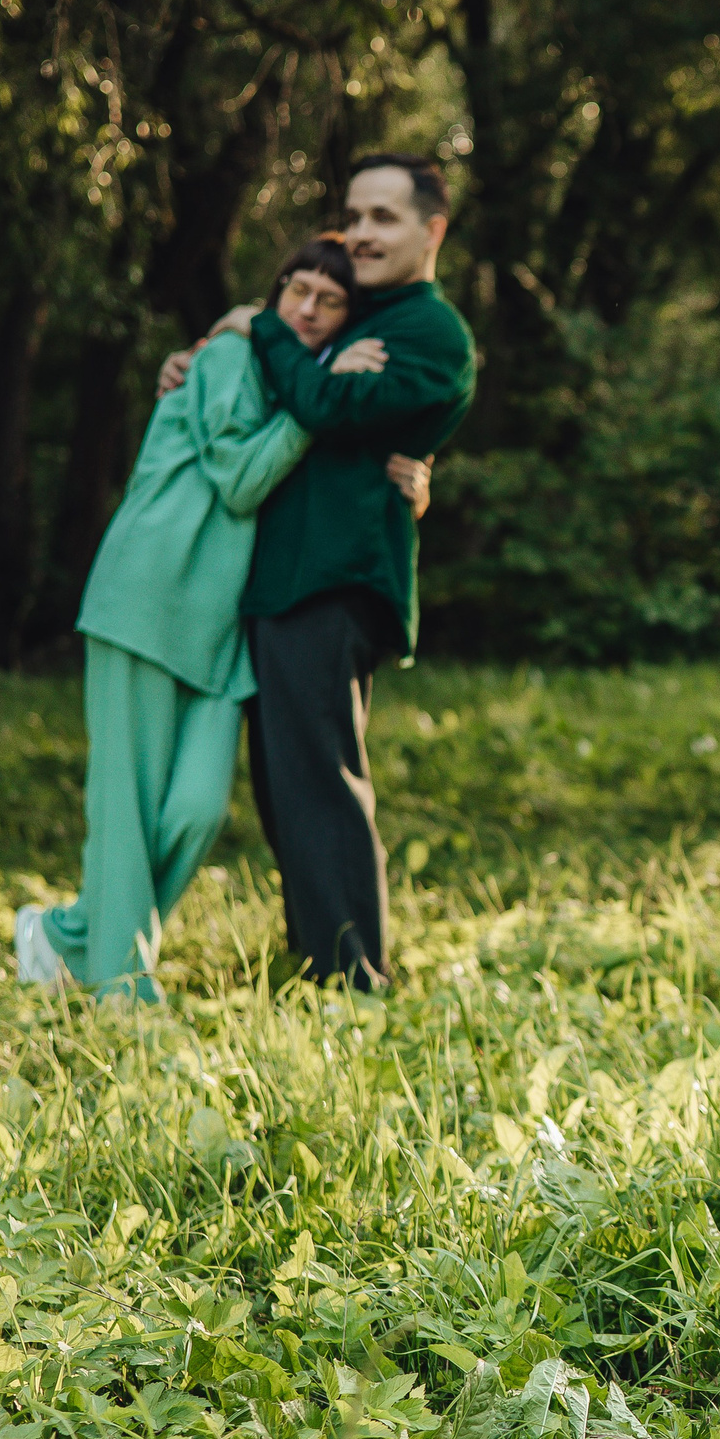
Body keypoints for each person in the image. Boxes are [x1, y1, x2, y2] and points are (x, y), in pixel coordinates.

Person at [13, 235, 432, 1000]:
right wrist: (311, 383)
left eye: (328, 299)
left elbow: (338, 454)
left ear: (348, 320)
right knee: (127, 807)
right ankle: (121, 993)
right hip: (150, 591)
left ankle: (67, 935)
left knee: (199, 808)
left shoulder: (305, 385)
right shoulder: (228, 359)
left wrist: (400, 468)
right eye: (293, 290)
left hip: (227, 624)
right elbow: (241, 479)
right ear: (269, 299)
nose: (306, 308)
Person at [162, 152, 475, 991]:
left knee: (320, 781)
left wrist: (256, 323)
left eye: (384, 218)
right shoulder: (351, 316)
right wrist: (205, 359)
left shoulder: (428, 329)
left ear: (431, 231)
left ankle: (352, 981)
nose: (362, 233)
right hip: (284, 577)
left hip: (333, 581)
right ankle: (321, 964)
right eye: (355, 214)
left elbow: (327, 406)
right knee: (288, 782)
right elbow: (282, 391)